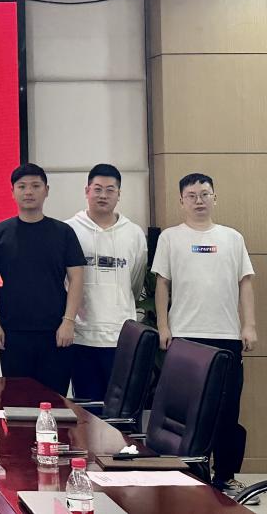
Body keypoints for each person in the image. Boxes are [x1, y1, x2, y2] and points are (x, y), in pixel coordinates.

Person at [152, 173, 256, 497]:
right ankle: (191, 476)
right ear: (181, 201)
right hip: (185, 337)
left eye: (205, 194)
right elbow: (162, 284)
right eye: (192, 195)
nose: (199, 200)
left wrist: (249, 325)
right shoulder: (170, 238)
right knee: (188, 412)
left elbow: (245, 283)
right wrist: (163, 326)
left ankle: (225, 476)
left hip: (226, 335)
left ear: (215, 197)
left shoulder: (232, 238)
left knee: (227, 410)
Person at [0, 163, 85, 395]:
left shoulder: (63, 232)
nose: (28, 192)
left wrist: (69, 321)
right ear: (12, 192)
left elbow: (77, 278)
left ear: (46, 190)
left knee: (54, 400)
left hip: (56, 331)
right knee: (15, 399)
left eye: (35, 186)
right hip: (12, 332)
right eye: (22, 186)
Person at [65, 164, 147, 401]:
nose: (103, 195)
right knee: (88, 409)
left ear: (119, 194)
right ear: (87, 191)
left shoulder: (134, 233)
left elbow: (135, 281)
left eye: (110, 190)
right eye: (97, 189)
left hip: (121, 336)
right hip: (81, 336)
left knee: (118, 410)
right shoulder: (69, 230)